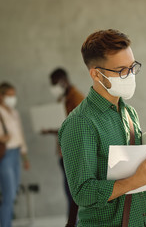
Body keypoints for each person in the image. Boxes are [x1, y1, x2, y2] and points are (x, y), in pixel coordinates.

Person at [58, 29, 146, 227]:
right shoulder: (80, 122)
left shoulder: (129, 113)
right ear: (96, 74)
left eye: (132, 67)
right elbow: (83, 193)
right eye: (121, 71)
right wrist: (136, 180)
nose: (130, 75)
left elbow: (136, 173)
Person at [42, 67, 84, 227]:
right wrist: (52, 129)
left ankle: (72, 223)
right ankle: (72, 223)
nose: (53, 88)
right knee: (70, 193)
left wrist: (55, 129)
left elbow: (78, 127)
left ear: (64, 81)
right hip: (64, 152)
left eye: (55, 84)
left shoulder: (77, 99)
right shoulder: (63, 98)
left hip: (74, 153)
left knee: (73, 193)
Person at [0, 82, 30, 227]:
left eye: (14, 95)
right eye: (9, 95)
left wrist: (25, 157)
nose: (12, 98)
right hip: (5, 156)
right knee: (9, 195)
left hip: (16, 154)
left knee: (13, 194)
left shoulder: (14, 112)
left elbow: (20, 135)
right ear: (2, 96)